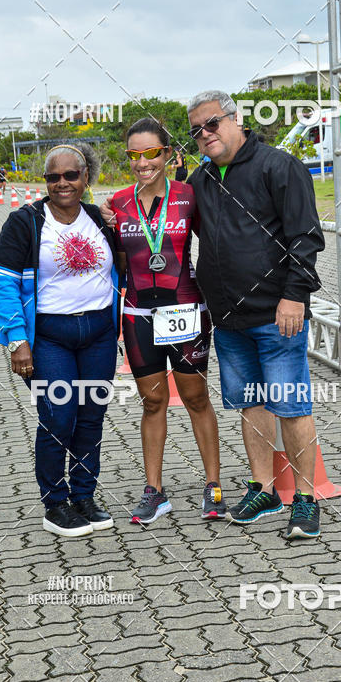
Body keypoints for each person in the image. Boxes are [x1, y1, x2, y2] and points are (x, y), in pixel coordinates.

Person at [186, 91, 325, 539]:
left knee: (291, 404)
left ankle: (305, 499)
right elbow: (170, 221)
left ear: (236, 119)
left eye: (212, 124)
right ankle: (263, 489)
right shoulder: (202, 179)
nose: (205, 134)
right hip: (228, 319)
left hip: (276, 314)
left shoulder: (278, 166)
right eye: (196, 130)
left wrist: (295, 295)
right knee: (251, 402)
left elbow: (305, 236)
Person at [0, 143, 123, 537]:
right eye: (53, 177)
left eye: (71, 175)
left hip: (100, 334)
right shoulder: (25, 223)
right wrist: (18, 342)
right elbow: (3, 284)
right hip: (50, 339)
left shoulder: (100, 220)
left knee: (91, 417)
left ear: (86, 178)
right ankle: (55, 503)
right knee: (58, 418)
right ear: (45, 181)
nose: (62, 183)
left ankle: (84, 495)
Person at [107, 118, 225, 524]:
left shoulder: (190, 196)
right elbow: (119, 262)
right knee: (153, 401)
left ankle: (214, 487)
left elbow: (215, 245)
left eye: (151, 153)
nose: (143, 163)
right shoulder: (118, 204)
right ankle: (154, 492)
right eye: (134, 155)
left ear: (168, 154)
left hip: (186, 311)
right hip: (138, 313)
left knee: (195, 399)